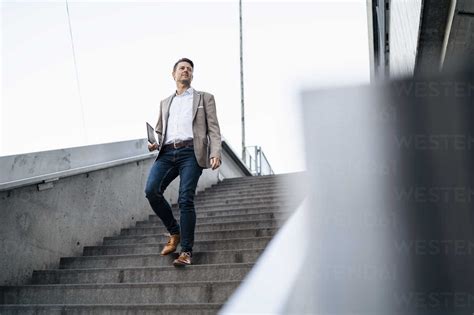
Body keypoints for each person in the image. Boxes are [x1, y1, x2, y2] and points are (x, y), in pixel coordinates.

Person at [145, 58, 222, 266]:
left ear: (192, 75)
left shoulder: (204, 98)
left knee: (185, 198)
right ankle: (174, 232)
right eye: (182, 68)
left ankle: (186, 251)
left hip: (191, 152)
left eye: (189, 69)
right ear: (174, 74)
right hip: (167, 153)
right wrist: (154, 143)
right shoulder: (164, 102)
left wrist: (216, 152)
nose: (185, 71)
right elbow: (160, 130)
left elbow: (214, 128)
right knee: (151, 190)